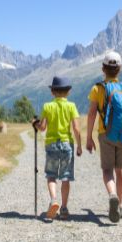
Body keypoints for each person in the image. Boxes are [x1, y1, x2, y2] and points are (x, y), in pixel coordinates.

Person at [86, 51, 122, 223]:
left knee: (107, 170)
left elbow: (91, 114)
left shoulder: (97, 89)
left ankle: (112, 195)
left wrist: (88, 137)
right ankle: (121, 206)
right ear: (120, 69)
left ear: (103, 69)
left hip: (105, 134)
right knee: (121, 170)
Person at [35, 76, 82, 220]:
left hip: (51, 145)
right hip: (67, 144)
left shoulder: (47, 106)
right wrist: (79, 146)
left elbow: (42, 128)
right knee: (66, 177)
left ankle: (54, 200)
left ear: (52, 92)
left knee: (51, 175)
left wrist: (35, 123)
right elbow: (76, 128)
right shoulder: (71, 106)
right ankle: (64, 208)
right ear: (68, 92)